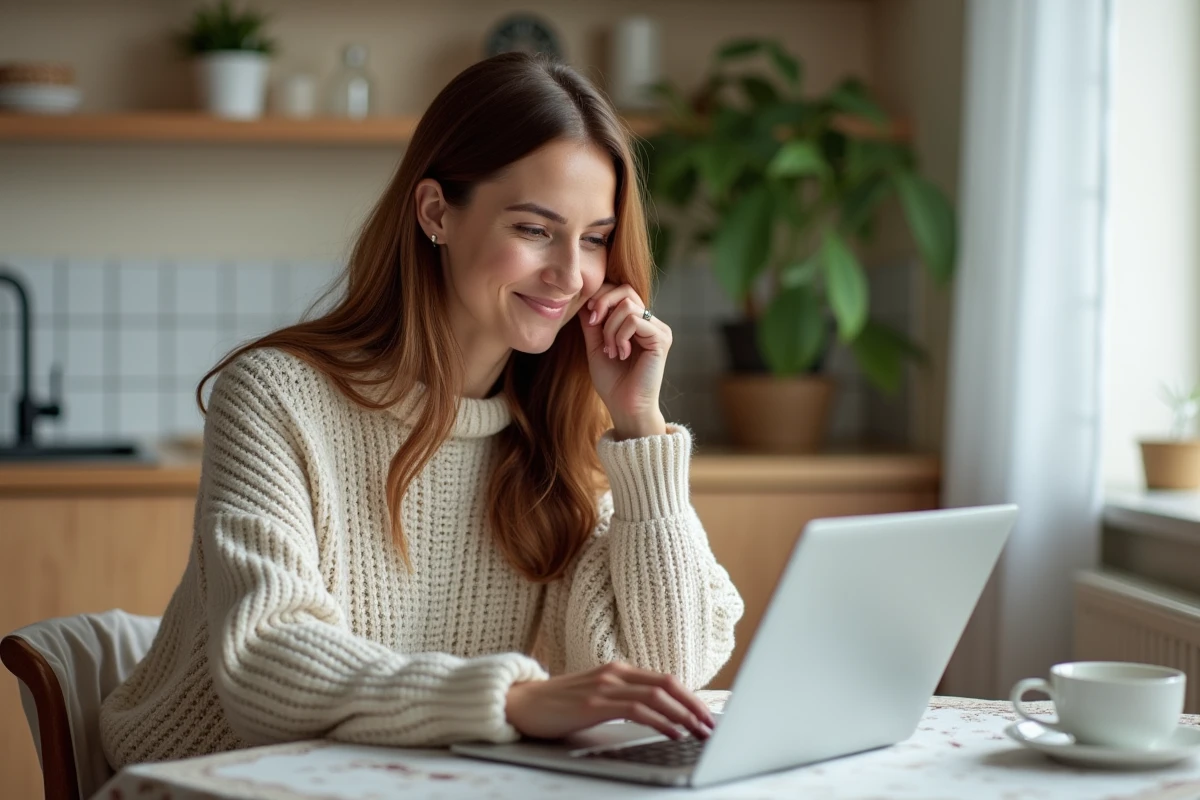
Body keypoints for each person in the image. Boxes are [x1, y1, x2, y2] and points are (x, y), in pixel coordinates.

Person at [99, 52, 744, 769]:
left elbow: (668, 671)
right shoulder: (277, 397)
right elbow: (265, 662)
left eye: (594, 238)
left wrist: (639, 425)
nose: (571, 274)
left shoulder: (561, 434)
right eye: (535, 229)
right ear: (436, 211)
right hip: (217, 779)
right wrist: (507, 701)